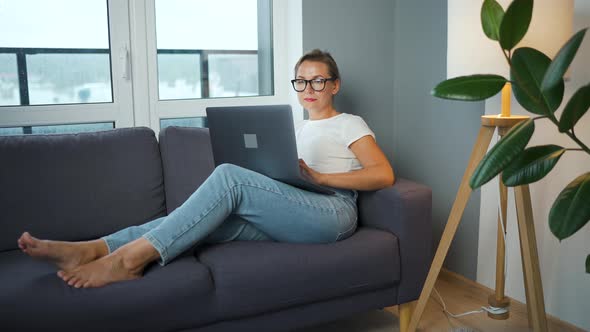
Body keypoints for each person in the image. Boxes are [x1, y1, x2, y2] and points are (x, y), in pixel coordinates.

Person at [17, 49, 395, 289]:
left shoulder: (349, 122)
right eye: (301, 80)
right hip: (295, 208)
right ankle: (93, 248)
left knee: (229, 176)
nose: (308, 87)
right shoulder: (294, 129)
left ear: (334, 84)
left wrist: (320, 177)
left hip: (333, 211)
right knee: (198, 219)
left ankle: (128, 261)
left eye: (318, 80)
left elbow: (383, 174)